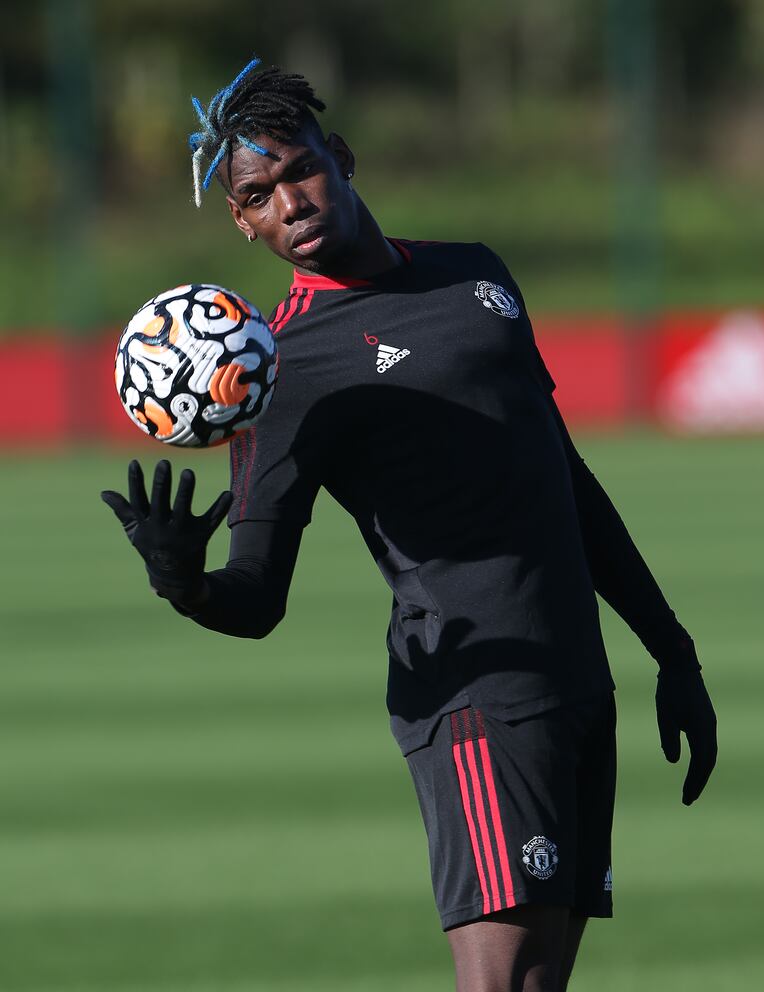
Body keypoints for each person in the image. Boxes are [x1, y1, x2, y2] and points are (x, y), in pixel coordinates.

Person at [102, 59, 717, 992]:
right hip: (471, 701)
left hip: (576, 681)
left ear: (340, 157)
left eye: (299, 170)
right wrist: (186, 582)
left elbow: (569, 483)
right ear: (242, 220)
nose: (289, 203)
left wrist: (672, 650)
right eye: (259, 196)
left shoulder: (476, 274)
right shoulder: (283, 369)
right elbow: (256, 596)